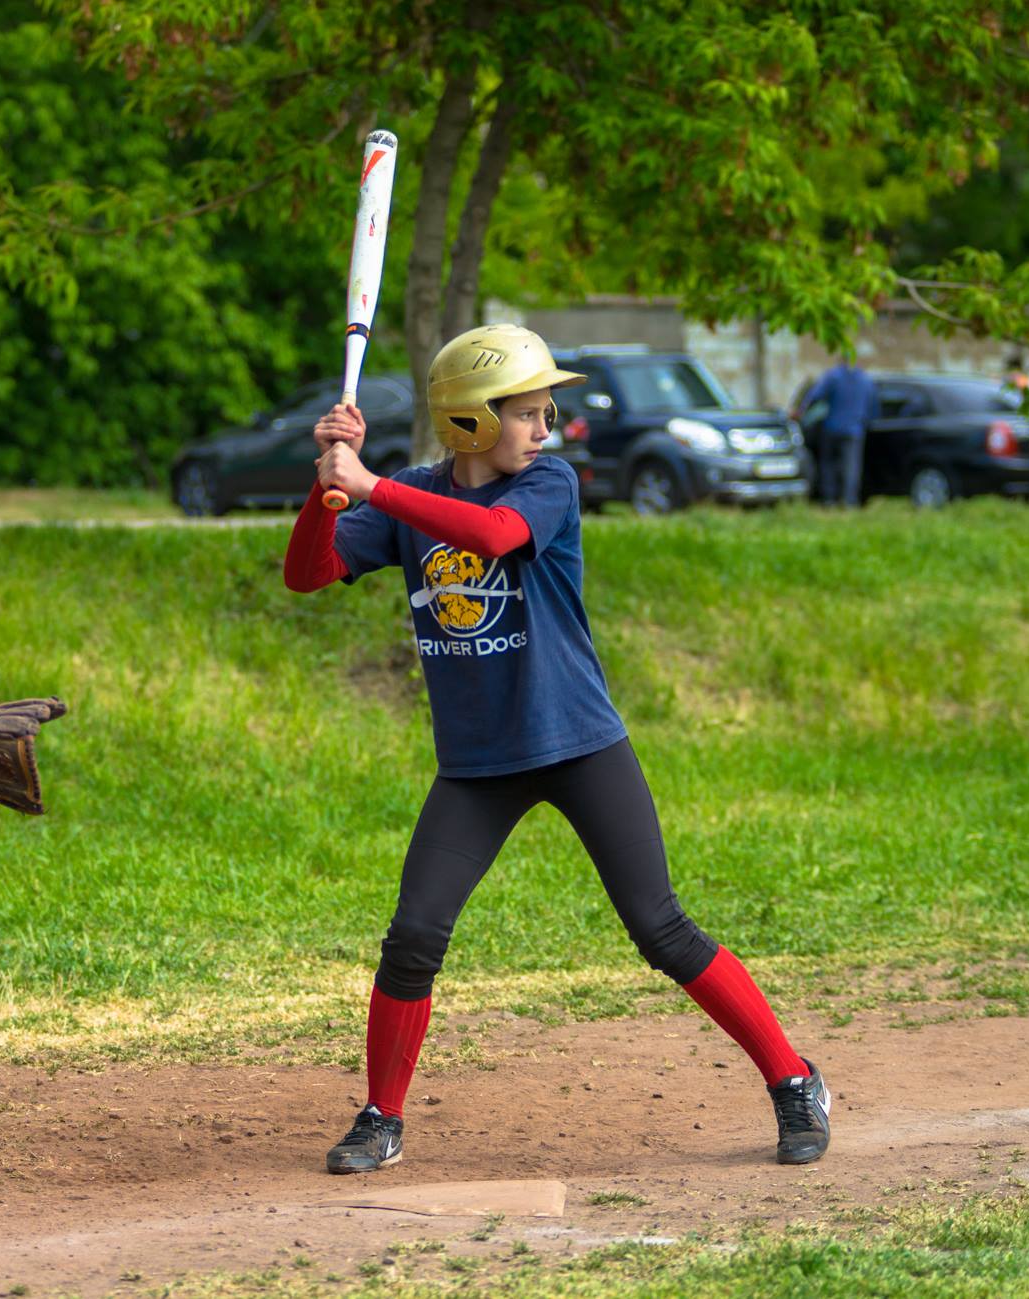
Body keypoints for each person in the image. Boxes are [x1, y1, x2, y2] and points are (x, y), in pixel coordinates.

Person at [283, 324, 831, 1176]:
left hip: (579, 742)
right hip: (477, 765)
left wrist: (372, 485)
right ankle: (380, 1115)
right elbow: (308, 574)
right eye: (530, 414)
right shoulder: (411, 499)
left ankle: (795, 1080)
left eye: (548, 412)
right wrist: (323, 490)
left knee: (662, 929)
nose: (547, 430)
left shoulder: (548, 483)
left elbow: (494, 537)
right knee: (413, 935)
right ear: (468, 422)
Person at [797, 356, 877, 508]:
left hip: (832, 427)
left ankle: (829, 500)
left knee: (829, 464)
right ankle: (849, 500)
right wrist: (867, 422)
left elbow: (815, 396)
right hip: (854, 430)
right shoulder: (865, 379)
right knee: (851, 467)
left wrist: (802, 411)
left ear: (841, 360)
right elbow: (872, 405)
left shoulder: (833, 376)